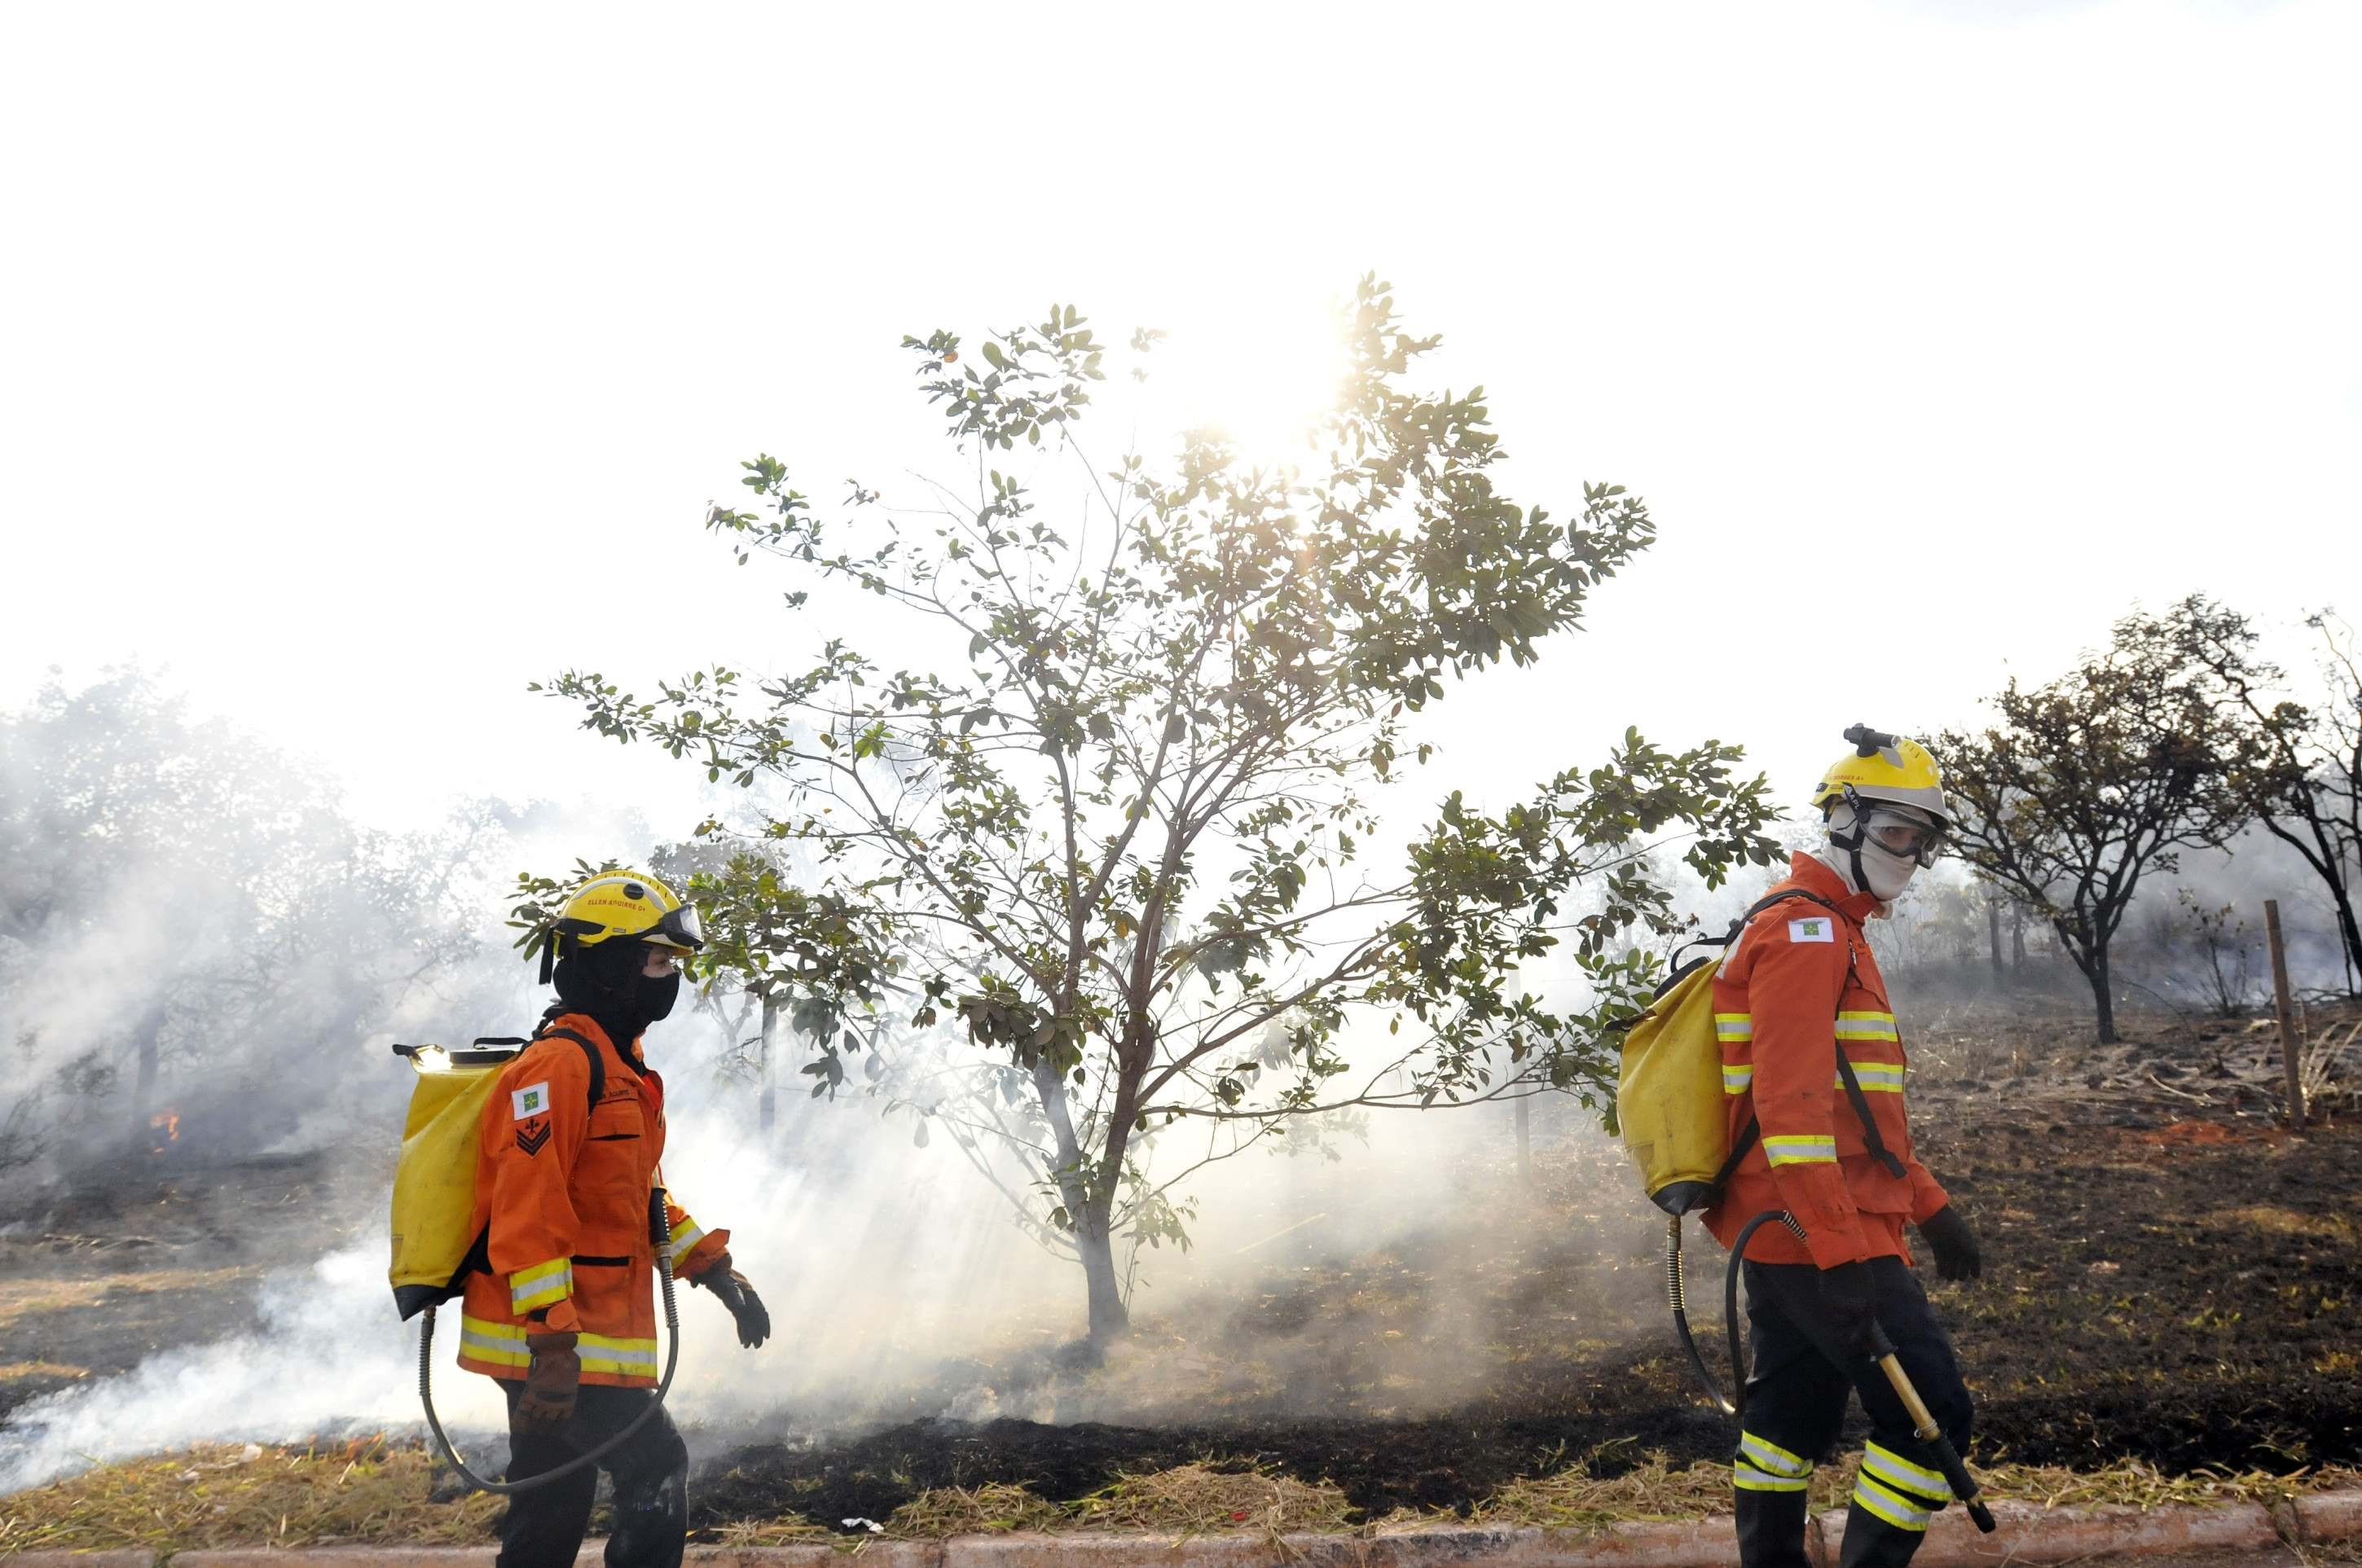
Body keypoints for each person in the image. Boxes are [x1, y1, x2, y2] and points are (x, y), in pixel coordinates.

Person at [1705, 731, 1984, 1568]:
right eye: (1897, 830)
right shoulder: (1808, 933)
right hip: (1818, 1228)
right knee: (1931, 1410)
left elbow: (1855, 1113)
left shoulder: (1830, 926)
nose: (1911, 852)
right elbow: (1789, 1109)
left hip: (1793, 1222)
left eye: (1921, 839)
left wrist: (1931, 1209)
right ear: (1843, 820)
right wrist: (1837, 1250)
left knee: (1788, 1417)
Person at [459, 870, 772, 1568]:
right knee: (655, 1465)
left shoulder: (617, 1064)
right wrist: (551, 1346)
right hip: (559, 1341)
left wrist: (715, 1270)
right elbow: (526, 1211)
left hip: (576, 1337)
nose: (668, 980)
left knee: (553, 1498)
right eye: (657, 961)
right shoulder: (560, 1068)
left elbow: (636, 1201)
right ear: (607, 964)